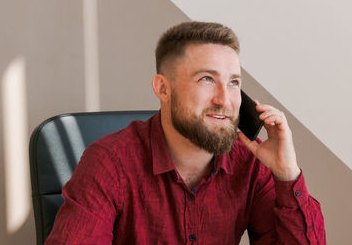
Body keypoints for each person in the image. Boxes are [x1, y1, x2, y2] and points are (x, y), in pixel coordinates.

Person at [45, 21, 326, 244]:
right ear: (163, 88)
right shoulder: (108, 163)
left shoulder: (250, 163)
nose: (225, 100)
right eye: (207, 79)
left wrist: (287, 174)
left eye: (233, 82)